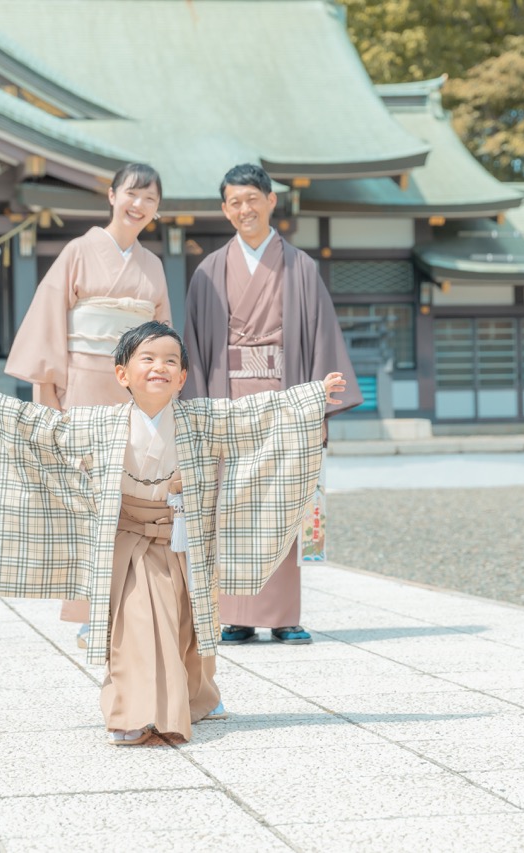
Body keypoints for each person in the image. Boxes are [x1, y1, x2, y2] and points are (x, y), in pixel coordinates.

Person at [0, 321, 346, 745]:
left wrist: (311, 396)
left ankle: (196, 697)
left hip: (181, 538)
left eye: (170, 361)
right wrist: (3, 409)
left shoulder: (202, 417)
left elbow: (254, 413)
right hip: (130, 542)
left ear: (183, 377)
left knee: (186, 627)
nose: (159, 367)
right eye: (147, 359)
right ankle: (131, 713)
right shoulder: (100, 421)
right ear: (122, 373)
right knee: (134, 626)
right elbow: (54, 428)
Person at [182, 163, 363, 647]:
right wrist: (197, 416)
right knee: (231, 508)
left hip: (286, 400)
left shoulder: (300, 267)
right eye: (235, 202)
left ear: (270, 201)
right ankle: (235, 615)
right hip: (229, 403)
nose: (245, 209)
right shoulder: (208, 271)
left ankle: (284, 614)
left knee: (282, 506)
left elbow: (321, 339)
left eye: (252, 199)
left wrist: (317, 410)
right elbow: (195, 347)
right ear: (225, 210)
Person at [3, 163, 171, 647]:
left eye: (150, 199)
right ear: (112, 196)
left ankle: (130, 603)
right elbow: (49, 320)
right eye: (132, 194)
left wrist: (161, 390)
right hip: (83, 387)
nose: (139, 205)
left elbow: (162, 335)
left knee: (136, 499)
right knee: (86, 503)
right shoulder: (78, 251)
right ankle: (89, 611)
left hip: (135, 393)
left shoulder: (153, 266)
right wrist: (49, 393)